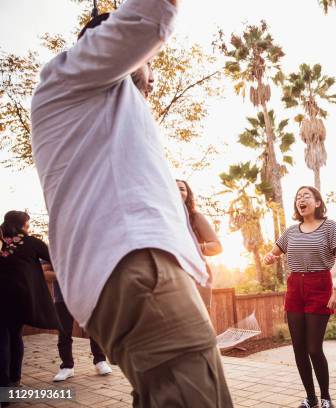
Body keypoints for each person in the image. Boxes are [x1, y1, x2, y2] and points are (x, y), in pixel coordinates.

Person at [30, 0, 232, 405]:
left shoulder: (94, 107)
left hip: (130, 274)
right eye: (149, 62)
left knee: (159, 393)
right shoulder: (69, 75)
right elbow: (151, 14)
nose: (153, 76)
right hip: (138, 268)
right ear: (107, 43)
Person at [264, 186, 336, 408]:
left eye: (306, 196)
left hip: (319, 285)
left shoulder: (330, 227)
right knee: (298, 348)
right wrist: (270, 257)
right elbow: (274, 252)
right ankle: (310, 398)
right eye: (298, 196)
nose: (301, 199)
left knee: (313, 348)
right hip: (294, 288)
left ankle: (326, 397)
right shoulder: (291, 231)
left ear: (318, 203)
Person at [0, 211, 58, 392]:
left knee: (2, 339)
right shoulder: (31, 242)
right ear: (21, 225)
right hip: (19, 298)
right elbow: (57, 259)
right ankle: (13, 382)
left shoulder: (1, 243)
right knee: (15, 336)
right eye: (27, 224)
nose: (29, 228)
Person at [49, 272, 112, 382]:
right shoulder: (54, 253)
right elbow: (45, 273)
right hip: (62, 297)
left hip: (88, 294)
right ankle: (67, 367)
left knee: (94, 327)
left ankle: (100, 361)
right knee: (64, 332)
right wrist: (69, 271)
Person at [176, 179, 222, 308]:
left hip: (196, 276)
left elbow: (217, 247)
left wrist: (194, 247)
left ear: (188, 194)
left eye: (182, 189)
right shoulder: (164, 219)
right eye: (174, 188)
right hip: (173, 277)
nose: (178, 192)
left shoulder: (195, 217)